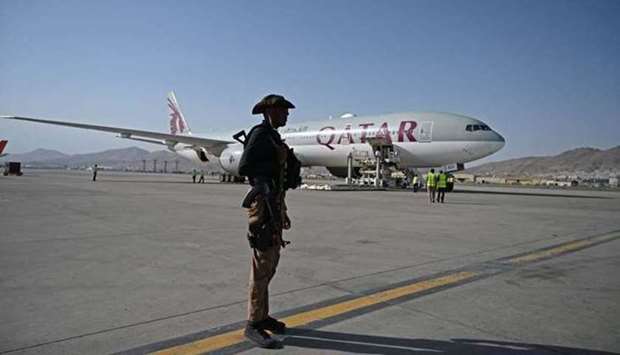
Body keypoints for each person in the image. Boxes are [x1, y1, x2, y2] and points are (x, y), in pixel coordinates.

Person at [238, 94, 299, 349]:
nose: (287, 115)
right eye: (283, 111)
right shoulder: (260, 134)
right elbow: (245, 167)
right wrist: (269, 176)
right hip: (263, 206)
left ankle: (262, 315)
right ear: (270, 111)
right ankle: (252, 324)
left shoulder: (273, 136)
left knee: (271, 262)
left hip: (274, 203)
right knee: (262, 264)